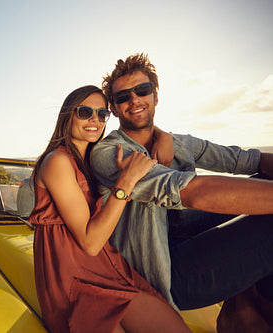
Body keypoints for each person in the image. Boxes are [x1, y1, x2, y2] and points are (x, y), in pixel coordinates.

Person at [90, 53, 273, 332]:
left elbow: (243, 160)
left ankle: (249, 303)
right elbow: (190, 193)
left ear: (155, 96)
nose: (135, 100)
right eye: (123, 97)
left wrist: (165, 137)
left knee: (263, 177)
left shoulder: (177, 142)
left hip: (191, 239)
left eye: (142, 90)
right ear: (113, 109)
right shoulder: (109, 154)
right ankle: (246, 309)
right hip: (166, 274)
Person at [29, 85, 191, 332]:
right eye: (85, 112)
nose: (95, 120)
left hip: (106, 270)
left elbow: (136, 131)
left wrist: (162, 135)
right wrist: (126, 180)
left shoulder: (90, 160)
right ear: (67, 115)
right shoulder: (58, 161)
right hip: (75, 282)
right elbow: (90, 242)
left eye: (102, 114)